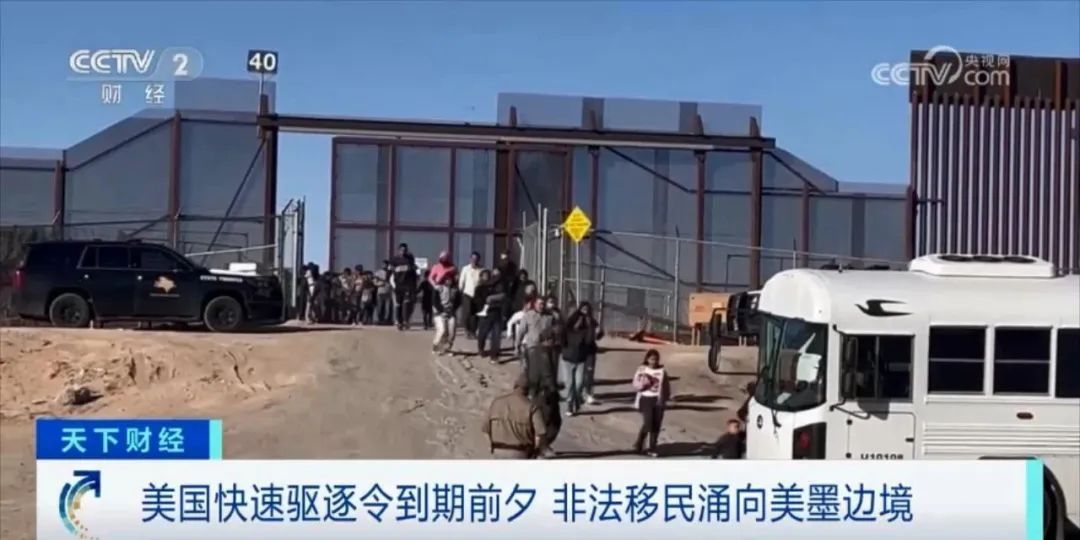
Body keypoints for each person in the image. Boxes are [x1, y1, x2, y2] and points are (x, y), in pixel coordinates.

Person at [481, 373, 547, 459]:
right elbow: (540, 434)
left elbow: (485, 429)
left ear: (514, 385)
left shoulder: (496, 403)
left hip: (498, 450)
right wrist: (536, 450)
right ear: (528, 390)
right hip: (520, 452)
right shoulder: (531, 407)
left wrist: (490, 446)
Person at [559, 302, 603, 416]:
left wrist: (596, 332)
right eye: (582, 309)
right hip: (568, 358)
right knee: (569, 384)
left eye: (587, 310)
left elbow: (592, 339)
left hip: (581, 358)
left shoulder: (588, 325)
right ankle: (570, 405)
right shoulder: (568, 326)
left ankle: (579, 399)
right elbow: (561, 337)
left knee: (579, 383)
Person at [632, 349, 671, 457]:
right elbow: (635, 384)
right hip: (646, 399)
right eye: (652, 359)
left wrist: (666, 399)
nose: (654, 362)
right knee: (648, 423)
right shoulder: (642, 369)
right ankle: (639, 443)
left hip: (658, 400)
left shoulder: (662, 371)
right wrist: (643, 382)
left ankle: (652, 448)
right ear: (647, 359)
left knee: (656, 424)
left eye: (656, 359)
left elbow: (666, 386)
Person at [475, 268, 508, 361]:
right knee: (483, 333)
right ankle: (481, 348)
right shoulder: (479, 288)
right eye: (485, 275)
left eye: (488, 275)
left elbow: (503, 297)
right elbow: (477, 301)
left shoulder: (498, 286)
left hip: (496, 312)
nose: (487, 277)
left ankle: (494, 355)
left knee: (496, 335)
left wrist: (493, 299)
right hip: (485, 314)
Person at [389, 243, 418, 330]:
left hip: (408, 285)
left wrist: (414, 284)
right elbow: (390, 271)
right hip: (398, 284)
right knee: (399, 304)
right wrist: (392, 283)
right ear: (398, 250)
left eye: (405, 250)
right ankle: (399, 321)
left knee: (407, 303)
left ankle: (405, 321)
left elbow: (413, 271)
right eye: (402, 250)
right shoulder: (394, 260)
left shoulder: (410, 259)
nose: (403, 252)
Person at [432, 272, 461, 355]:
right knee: (442, 330)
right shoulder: (438, 288)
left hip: (451, 313)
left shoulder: (455, 290)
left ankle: (447, 349)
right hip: (439, 313)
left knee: (452, 332)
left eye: (450, 279)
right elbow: (435, 301)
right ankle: (436, 347)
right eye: (447, 279)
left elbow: (458, 301)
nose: (449, 281)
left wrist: (453, 309)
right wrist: (441, 310)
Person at [458, 251, 484, 339]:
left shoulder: (481, 269)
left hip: (477, 295)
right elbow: (461, 281)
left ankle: (473, 331)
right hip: (467, 293)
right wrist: (460, 290)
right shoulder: (465, 269)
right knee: (467, 313)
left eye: (476, 259)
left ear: (478, 260)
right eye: (472, 259)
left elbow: (484, 281)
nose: (474, 261)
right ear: (470, 259)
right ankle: (467, 329)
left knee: (475, 314)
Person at [374, 261, 393, 325]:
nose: (385, 265)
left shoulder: (391, 272)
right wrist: (380, 284)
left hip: (388, 291)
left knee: (388, 307)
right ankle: (380, 320)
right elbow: (374, 281)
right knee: (380, 307)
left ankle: (388, 320)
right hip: (380, 291)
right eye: (384, 264)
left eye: (386, 264)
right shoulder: (378, 272)